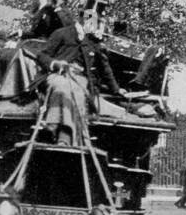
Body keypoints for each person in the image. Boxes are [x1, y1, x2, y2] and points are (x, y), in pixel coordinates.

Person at [31, 8, 125, 145]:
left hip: (80, 79)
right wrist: (55, 63)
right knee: (62, 87)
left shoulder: (94, 42)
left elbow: (105, 68)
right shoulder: (61, 33)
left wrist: (116, 89)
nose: (92, 23)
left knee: (77, 92)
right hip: (57, 75)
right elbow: (42, 55)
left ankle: (63, 134)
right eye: (89, 18)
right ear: (80, 18)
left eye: (95, 20)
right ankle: (54, 128)